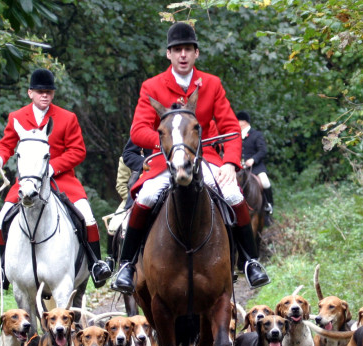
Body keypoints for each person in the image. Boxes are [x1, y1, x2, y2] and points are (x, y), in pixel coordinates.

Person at [111, 22, 270, 294]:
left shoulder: (211, 84)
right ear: (168, 54)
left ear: (196, 53)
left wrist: (231, 162)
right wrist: (165, 144)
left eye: (188, 49)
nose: (182, 55)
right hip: (166, 159)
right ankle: (126, 265)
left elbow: (231, 127)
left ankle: (250, 261)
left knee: (233, 194)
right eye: (177, 50)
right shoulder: (151, 86)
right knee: (146, 196)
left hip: (203, 158)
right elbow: (138, 130)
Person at [0, 69, 112, 289]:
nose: (45, 96)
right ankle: (3, 269)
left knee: (88, 218)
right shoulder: (16, 117)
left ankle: (95, 265)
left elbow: (78, 151)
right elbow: (6, 144)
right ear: (30, 93)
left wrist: (53, 167)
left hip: (61, 180)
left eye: (49, 92)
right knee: (1, 219)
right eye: (41, 92)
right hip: (27, 181)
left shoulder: (67, 117)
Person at [237, 111, 273, 221]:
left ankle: (268, 206)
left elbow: (263, 150)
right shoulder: (236, 135)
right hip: (239, 168)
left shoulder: (257, 135)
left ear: (244, 122)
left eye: (237, 121)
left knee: (266, 182)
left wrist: (253, 159)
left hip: (256, 168)